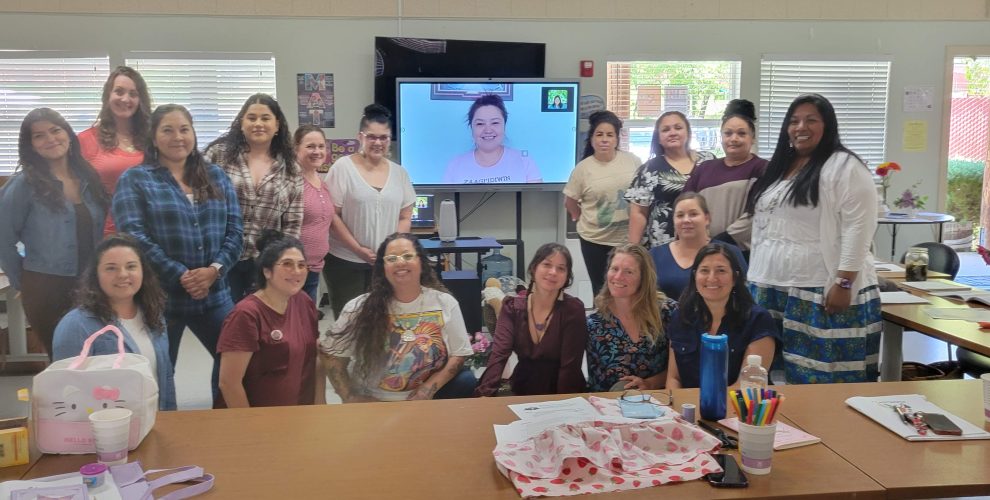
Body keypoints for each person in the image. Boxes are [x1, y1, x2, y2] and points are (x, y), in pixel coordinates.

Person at [745, 93, 880, 384]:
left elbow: (859, 227)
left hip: (819, 289)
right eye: (793, 121)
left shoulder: (844, 166)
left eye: (811, 120)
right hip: (771, 285)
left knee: (819, 376)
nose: (800, 127)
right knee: (773, 377)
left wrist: (844, 282)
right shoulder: (781, 167)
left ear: (827, 125)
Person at [113, 104, 243, 401]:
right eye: (167, 130)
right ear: (154, 137)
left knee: (234, 363)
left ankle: (226, 425)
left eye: (184, 129)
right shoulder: (135, 180)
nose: (178, 137)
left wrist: (215, 270)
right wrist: (180, 274)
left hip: (215, 294)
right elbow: (135, 238)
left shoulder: (216, 176)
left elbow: (235, 232)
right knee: (158, 373)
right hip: (160, 298)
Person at [0, 108, 109, 359]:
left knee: (97, 356)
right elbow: (3, 239)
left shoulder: (88, 178)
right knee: (63, 360)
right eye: (39, 136)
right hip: (47, 287)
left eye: (55, 130)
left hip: (92, 283)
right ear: (31, 145)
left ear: (69, 135)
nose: (50, 139)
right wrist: (23, 282)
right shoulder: (23, 185)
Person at [320, 233, 475, 402]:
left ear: (421, 263)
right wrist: (349, 396)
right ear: (383, 267)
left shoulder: (445, 302)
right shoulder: (358, 308)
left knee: (466, 381)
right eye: (392, 258)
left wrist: (427, 390)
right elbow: (331, 355)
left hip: (428, 399)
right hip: (374, 400)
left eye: (408, 256)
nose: (400, 262)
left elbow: (459, 354)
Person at [52, 234, 176, 410]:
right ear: (96, 275)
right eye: (111, 268)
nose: (123, 274)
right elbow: (65, 390)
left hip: (154, 422)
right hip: (105, 431)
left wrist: (171, 418)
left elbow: (165, 376)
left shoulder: (153, 314)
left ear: (143, 271)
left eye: (131, 266)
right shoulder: (76, 325)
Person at [205, 93, 303, 303]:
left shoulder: (291, 168)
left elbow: (292, 225)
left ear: (277, 126)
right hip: (221, 259)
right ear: (242, 123)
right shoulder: (218, 155)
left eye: (265, 118)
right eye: (252, 118)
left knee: (260, 323)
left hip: (265, 263)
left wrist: (282, 262)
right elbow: (198, 204)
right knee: (224, 323)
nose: (258, 124)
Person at [323, 104, 416, 318]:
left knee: (383, 321)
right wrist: (357, 249)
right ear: (360, 137)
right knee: (349, 323)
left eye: (384, 137)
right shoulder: (343, 168)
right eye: (372, 137)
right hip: (345, 261)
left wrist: (392, 249)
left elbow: (405, 215)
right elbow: (332, 215)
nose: (378, 143)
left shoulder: (399, 173)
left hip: (386, 264)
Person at [216, 231, 320, 408]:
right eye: (287, 264)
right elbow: (229, 383)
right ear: (267, 271)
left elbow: (315, 358)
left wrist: (319, 402)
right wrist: (251, 426)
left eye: (302, 265)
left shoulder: (303, 301)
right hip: (258, 418)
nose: (296, 271)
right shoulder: (246, 315)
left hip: (299, 412)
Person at [475, 243, 588, 397]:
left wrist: (563, 405)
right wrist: (484, 394)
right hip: (522, 388)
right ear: (534, 268)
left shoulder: (573, 310)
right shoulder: (512, 308)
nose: (553, 272)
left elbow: (570, 366)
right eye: (547, 264)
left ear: (567, 276)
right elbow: (499, 355)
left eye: (561, 268)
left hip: (565, 389)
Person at [666, 244, 778, 389]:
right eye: (704, 271)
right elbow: (674, 378)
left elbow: (747, 386)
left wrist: (708, 406)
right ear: (695, 276)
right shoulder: (681, 317)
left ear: (735, 278)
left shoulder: (758, 320)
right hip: (688, 408)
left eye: (721, 271)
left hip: (738, 407)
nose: (712, 278)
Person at [563, 110, 641, 297]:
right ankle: (604, 326)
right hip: (594, 241)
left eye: (609, 135)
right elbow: (570, 201)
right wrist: (578, 217)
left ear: (616, 139)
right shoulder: (583, 169)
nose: (604, 139)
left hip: (627, 240)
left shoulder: (633, 161)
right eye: (599, 134)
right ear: (591, 139)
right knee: (602, 290)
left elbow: (643, 195)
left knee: (629, 289)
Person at [586, 244, 675, 392]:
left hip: (657, 402)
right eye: (614, 269)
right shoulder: (593, 324)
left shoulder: (668, 312)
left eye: (628, 272)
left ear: (643, 278)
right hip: (608, 406)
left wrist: (650, 383)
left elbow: (681, 371)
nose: (618, 277)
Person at [683, 99, 766, 250]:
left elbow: (758, 213)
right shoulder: (704, 168)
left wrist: (723, 240)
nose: (734, 139)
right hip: (702, 250)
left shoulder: (762, 169)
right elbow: (686, 205)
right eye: (728, 133)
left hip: (744, 253)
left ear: (752, 138)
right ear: (721, 136)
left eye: (741, 133)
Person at [78, 66, 152, 235]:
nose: (126, 99)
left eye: (133, 94)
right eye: (119, 92)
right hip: (104, 234)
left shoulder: (152, 140)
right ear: (107, 96)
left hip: (148, 233)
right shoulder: (86, 140)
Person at [626, 111, 715, 248]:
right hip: (663, 246)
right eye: (666, 130)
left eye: (678, 128)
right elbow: (638, 213)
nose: (672, 133)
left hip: (704, 243)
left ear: (688, 132)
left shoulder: (708, 161)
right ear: (659, 138)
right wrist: (632, 251)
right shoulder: (649, 169)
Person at [650, 192, 746, 300]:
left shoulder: (730, 253)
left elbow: (744, 297)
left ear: (707, 218)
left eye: (693, 214)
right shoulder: (654, 255)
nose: (686, 220)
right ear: (673, 220)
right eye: (680, 215)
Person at [443, 94, 542, 184]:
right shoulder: (455, 165)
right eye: (480, 124)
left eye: (495, 123)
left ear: (504, 126)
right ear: (471, 128)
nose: (488, 130)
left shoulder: (524, 161)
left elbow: (537, 201)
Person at [293, 125, 333, 304]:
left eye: (321, 146)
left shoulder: (323, 184)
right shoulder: (291, 183)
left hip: (315, 269)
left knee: (306, 325)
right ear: (296, 149)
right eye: (310, 146)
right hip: (292, 271)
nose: (317, 151)